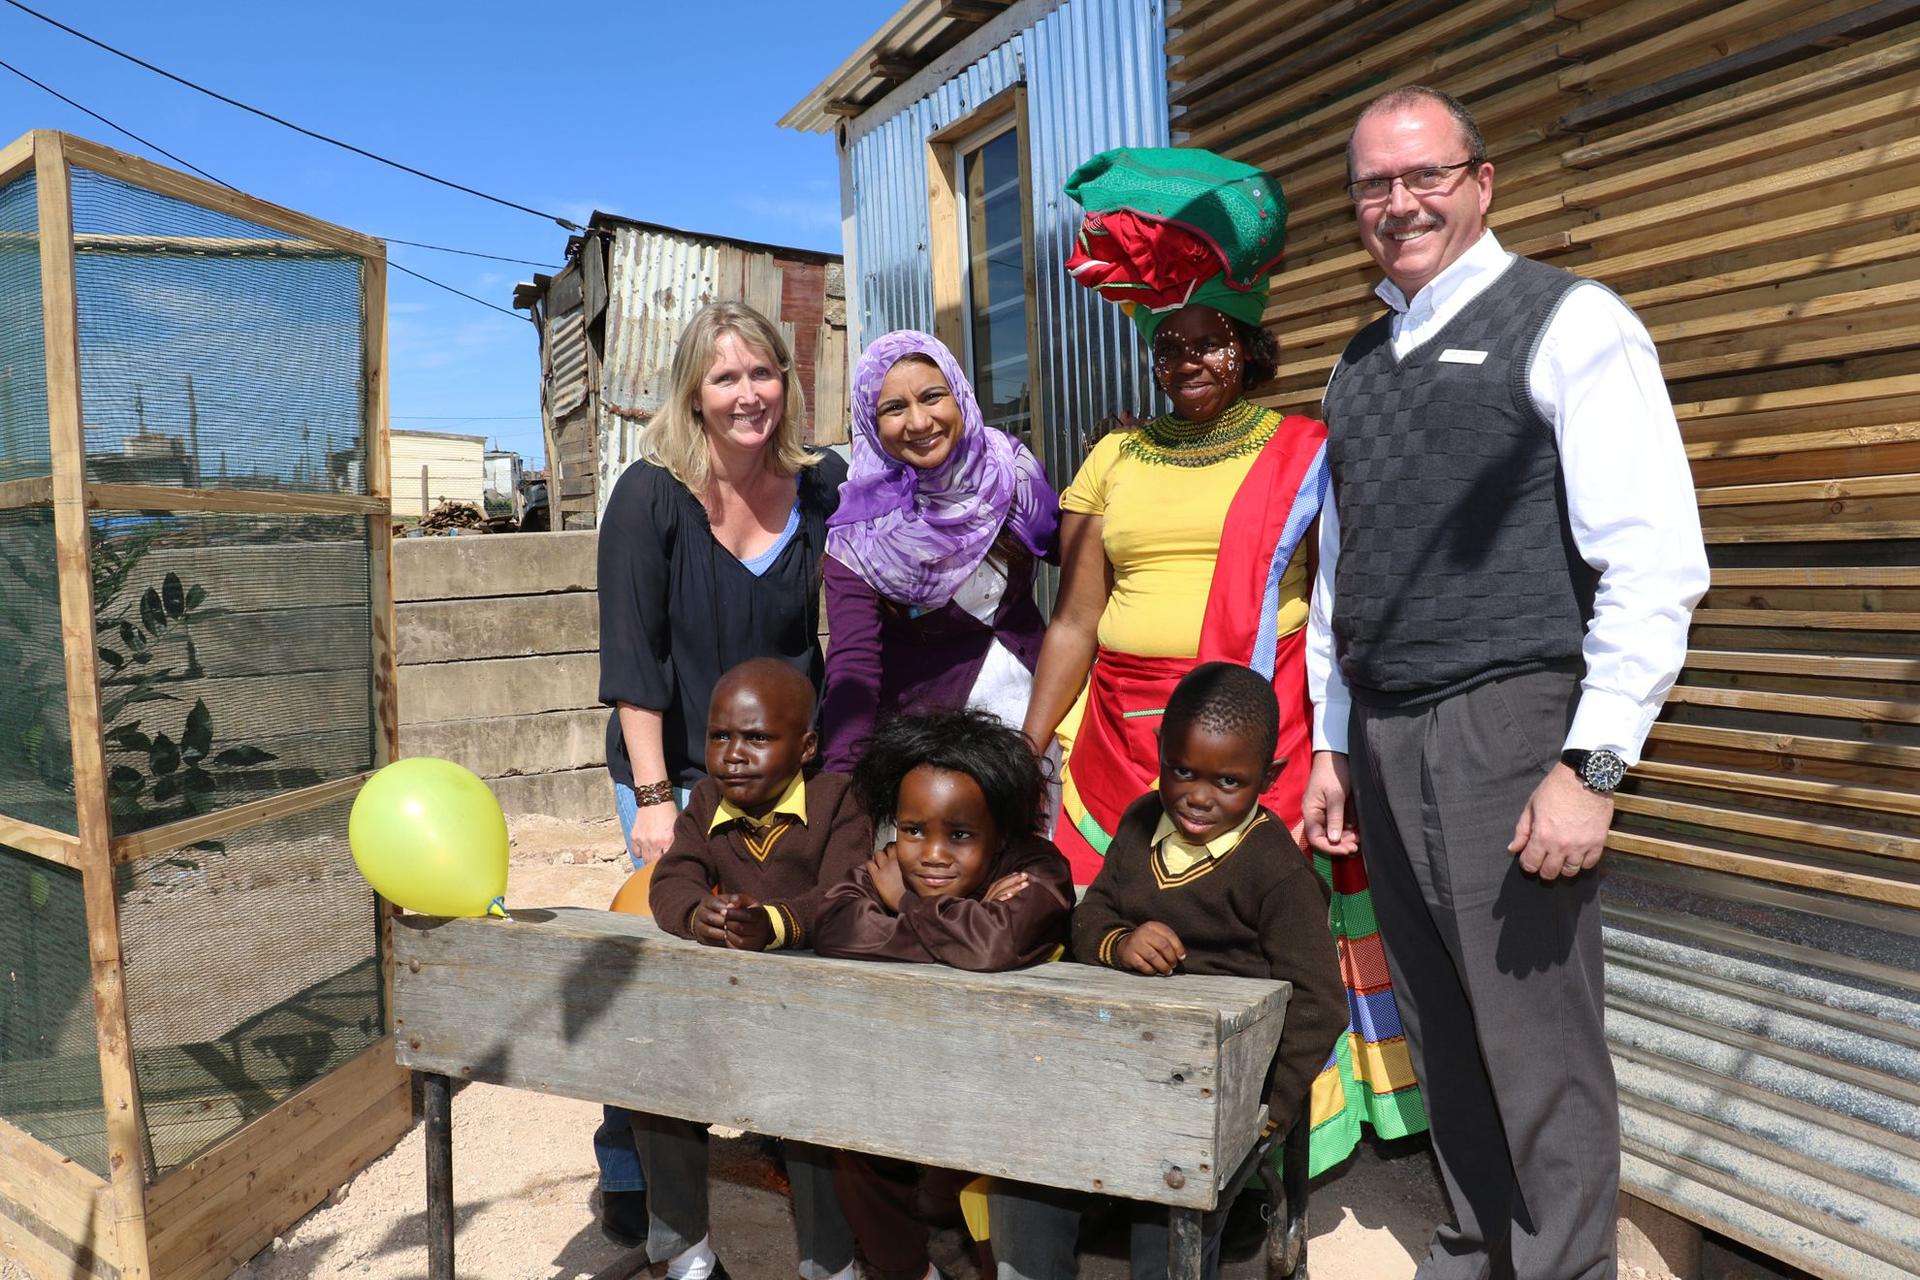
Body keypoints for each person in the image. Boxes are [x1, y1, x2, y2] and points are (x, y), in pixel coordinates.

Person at [1301, 86, 1709, 1280]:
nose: (1400, 202)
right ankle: (1479, 1249)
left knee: (1537, 1042)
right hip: (1384, 730)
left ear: (1482, 181)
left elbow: (1655, 562)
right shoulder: (1359, 361)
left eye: (1425, 174)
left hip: (1511, 718)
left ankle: (1564, 1268)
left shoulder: (1572, 322)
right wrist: (1332, 742)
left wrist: (1590, 765)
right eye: (1374, 185)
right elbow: (1344, 573)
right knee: (1444, 1028)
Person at [1022, 146, 1425, 1177]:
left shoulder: (1303, 448)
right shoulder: (1115, 453)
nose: (1186, 360)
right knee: (1115, 918)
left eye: (1208, 343)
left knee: (1264, 932)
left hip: (1256, 729)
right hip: (1119, 732)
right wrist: (1030, 742)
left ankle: (1275, 1133)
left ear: (1249, 348)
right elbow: (1073, 617)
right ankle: (1120, 1122)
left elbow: (1347, 598)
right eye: (1169, 345)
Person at [592, 300, 847, 1245]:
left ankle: (786, 1135)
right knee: (654, 970)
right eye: (726, 377)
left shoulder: (822, 486)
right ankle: (629, 1156)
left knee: (785, 944)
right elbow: (631, 658)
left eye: (764, 373)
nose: (749, 395)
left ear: (788, 380)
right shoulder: (651, 493)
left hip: (781, 769)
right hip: (677, 765)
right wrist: (656, 802)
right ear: (694, 394)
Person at [994, 663, 1347, 1280]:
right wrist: (1120, 942)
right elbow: (1088, 916)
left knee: (1169, 1201)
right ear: (1160, 754)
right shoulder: (1138, 825)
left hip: (1218, 1089)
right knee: (1024, 1173)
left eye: (1229, 781)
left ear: (1269, 779)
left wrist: (1266, 1110)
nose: (1199, 796)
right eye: (1182, 770)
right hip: (1118, 1059)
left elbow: (1319, 1005)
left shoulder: (1279, 874)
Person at [813, 709, 1074, 1280]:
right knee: (848, 1142)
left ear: (1001, 832)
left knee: (1003, 1191)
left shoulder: (1039, 869)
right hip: (918, 1079)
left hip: (1021, 1101)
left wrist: (905, 906)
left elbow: (994, 945)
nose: (932, 854)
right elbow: (833, 923)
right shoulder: (892, 866)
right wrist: (967, 920)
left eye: (960, 835)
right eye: (913, 830)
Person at [640, 658, 867, 1280]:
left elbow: (847, 896)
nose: (734, 755)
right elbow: (671, 878)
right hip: (731, 1010)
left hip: (817, 1020)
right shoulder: (707, 800)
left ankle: (829, 1262)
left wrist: (776, 923)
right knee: (651, 1082)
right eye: (720, 736)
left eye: (758, 738)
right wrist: (696, 915)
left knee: (814, 1121)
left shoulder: (838, 801)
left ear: (806, 746)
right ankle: (685, 1254)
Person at [819, 331, 1059, 773]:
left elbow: (1075, 551)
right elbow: (854, 668)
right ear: (870, 423)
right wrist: (839, 790)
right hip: (934, 757)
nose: (919, 421)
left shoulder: (1011, 473)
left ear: (958, 393)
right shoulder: (860, 534)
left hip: (1040, 729)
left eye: (932, 396)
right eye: (894, 407)